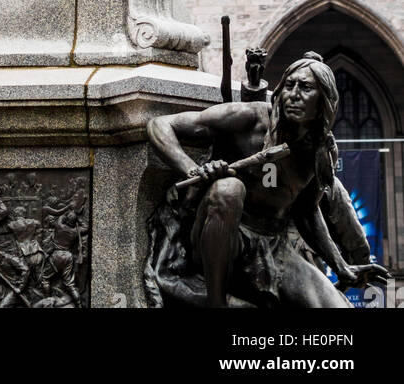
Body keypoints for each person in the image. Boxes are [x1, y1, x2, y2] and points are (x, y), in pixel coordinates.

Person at [147, 53, 386, 308]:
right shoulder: (251, 119)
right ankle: (216, 303)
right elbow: (159, 125)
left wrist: (341, 267)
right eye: (289, 85)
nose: (293, 94)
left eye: (305, 88)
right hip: (226, 238)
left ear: (324, 101)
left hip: (274, 244)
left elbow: (307, 211)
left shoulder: (320, 149)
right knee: (229, 189)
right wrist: (193, 170)